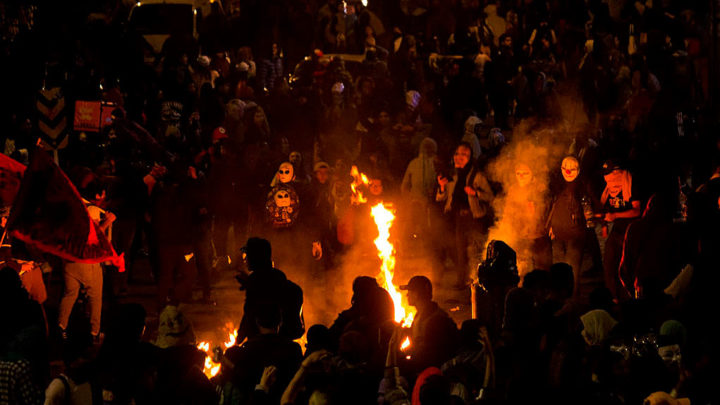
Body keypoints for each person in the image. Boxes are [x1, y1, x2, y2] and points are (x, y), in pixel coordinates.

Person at [58, 182, 116, 341]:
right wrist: (108, 221)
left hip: (69, 259)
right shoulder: (92, 210)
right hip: (87, 260)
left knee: (70, 294)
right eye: (102, 195)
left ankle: (60, 327)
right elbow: (93, 236)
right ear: (98, 195)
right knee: (95, 296)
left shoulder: (73, 206)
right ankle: (94, 332)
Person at [436, 143, 494, 287]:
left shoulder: (477, 176)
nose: (459, 157)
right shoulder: (452, 175)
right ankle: (462, 280)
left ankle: (478, 281)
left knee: (475, 250)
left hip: (474, 218)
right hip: (458, 218)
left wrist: (475, 193)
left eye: (464, 155)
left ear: (470, 157)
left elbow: (490, 196)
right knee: (459, 251)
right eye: (457, 154)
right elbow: (440, 198)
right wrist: (442, 186)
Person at [547, 156, 602, 297]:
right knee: (558, 269)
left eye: (572, 168)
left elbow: (594, 205)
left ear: (578, 169)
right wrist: (551, 226)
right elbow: (553, 206)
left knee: (572, 270)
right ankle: (559, 300)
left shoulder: (583, 185)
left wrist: (594, 220)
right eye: (566, 168)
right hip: (558, 235)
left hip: (575, 237)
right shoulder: (557, 184)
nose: (568, 171)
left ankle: (573, 300)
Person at [236, 238, 304, 343]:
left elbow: (249, 315)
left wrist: (237, 342)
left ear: (255, 258)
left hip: (266, 342)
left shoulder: (256, 282)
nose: (245, 260)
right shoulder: (278, 277)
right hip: (285, 340)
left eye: (247, 256)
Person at [600, 160, 641, 300]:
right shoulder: (609, 188)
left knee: (623, 267)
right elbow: (607, 208)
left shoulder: (630, 183)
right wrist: (604, 223)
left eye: (610, 175)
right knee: (608, 263)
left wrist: (616, 215)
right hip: (616, 230)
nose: (609, 180)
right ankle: (613, 298)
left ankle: (628, 298)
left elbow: (637, 211)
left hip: (630, 231)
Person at [400, 276, 458, 375]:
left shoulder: (436, 320)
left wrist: (409, 353)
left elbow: (431, 353)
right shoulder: (421, 315)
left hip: (432, 375)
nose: (407, 295)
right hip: (423, 370)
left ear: (417, 294)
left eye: (410, 291)